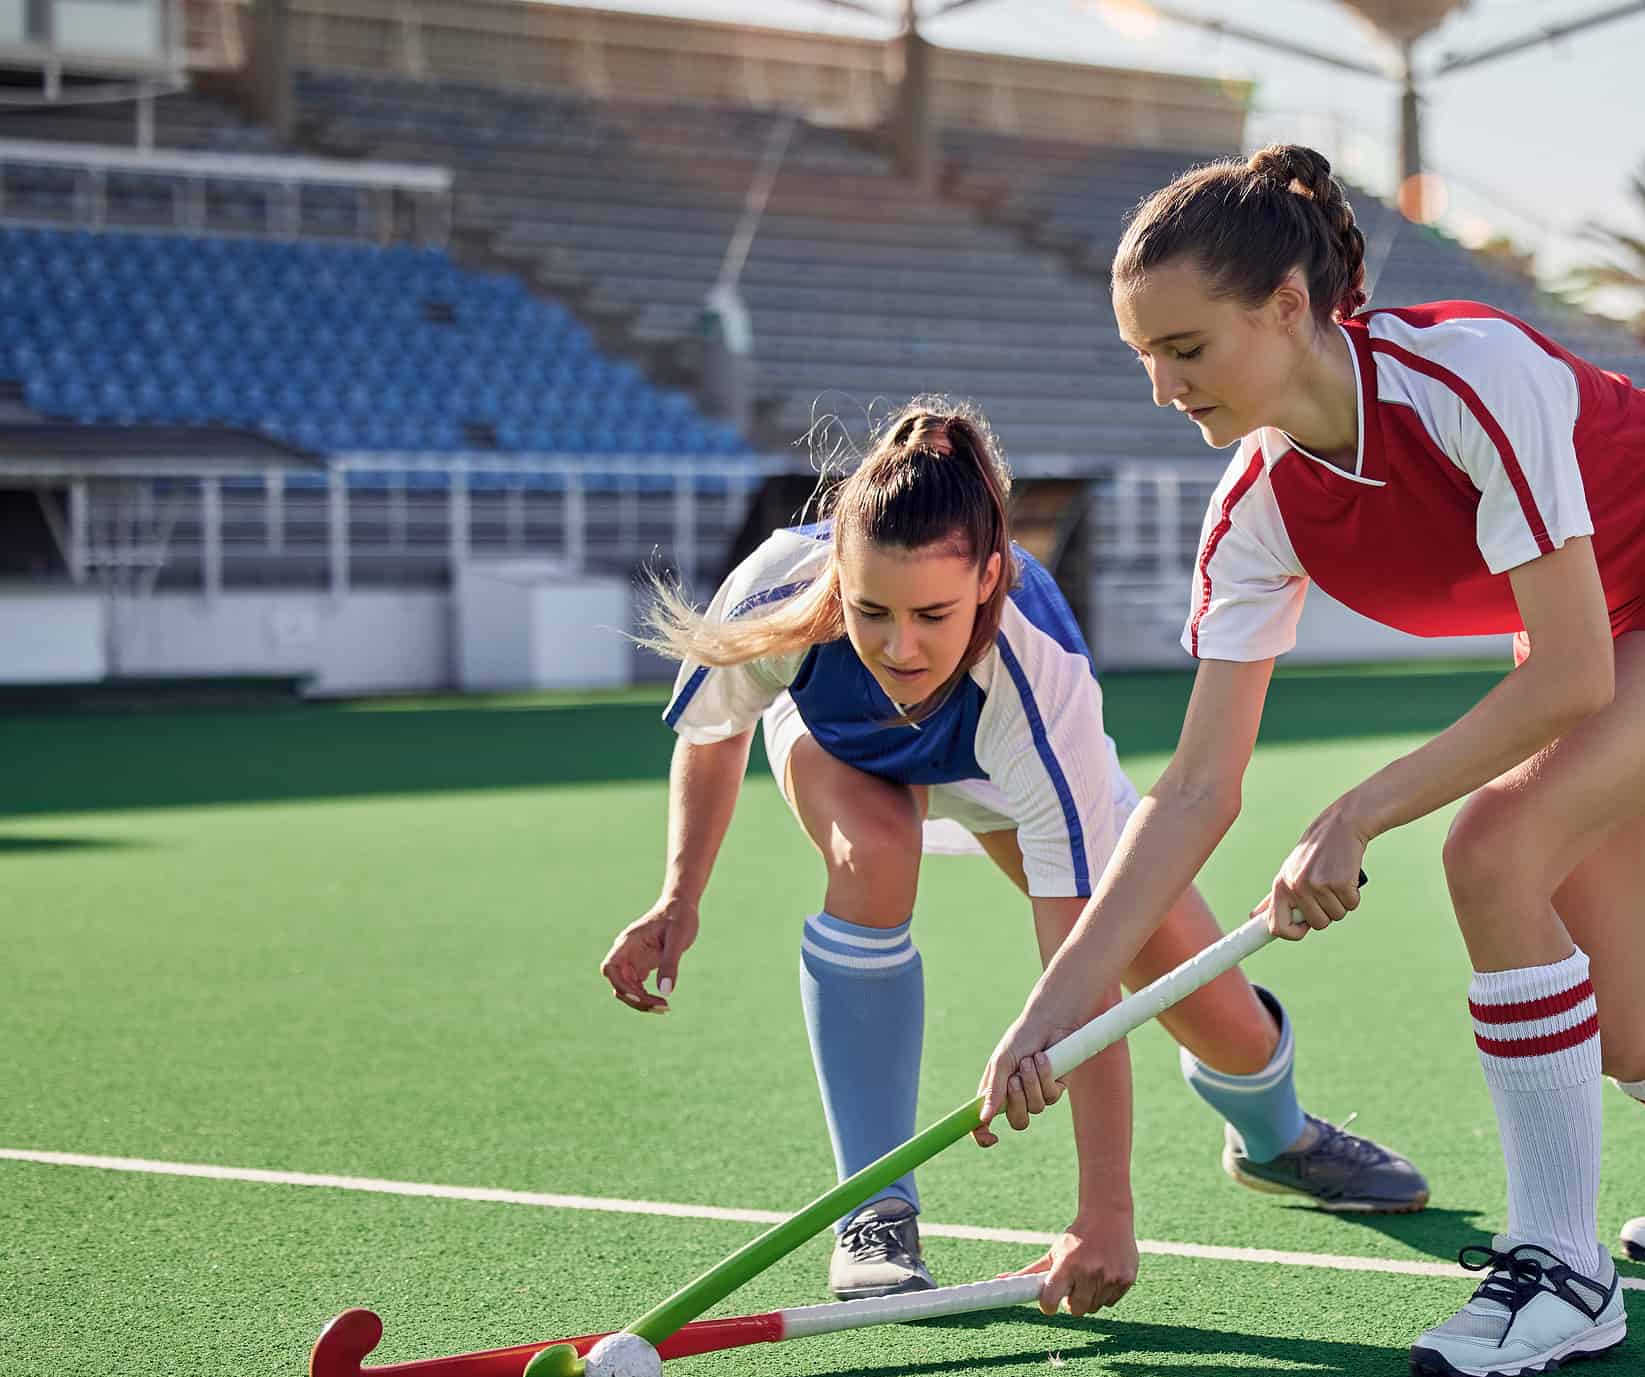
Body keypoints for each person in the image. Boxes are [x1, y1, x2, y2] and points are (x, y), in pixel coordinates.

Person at [975, 148, 1645, 1377]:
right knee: (1607, 1011)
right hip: (1597, 616)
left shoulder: (1467, 374)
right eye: (1144, 357)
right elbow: (1192, 789)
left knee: (1490, 851)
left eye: (1185, 348)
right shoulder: (1256, 510)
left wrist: (1356, 813)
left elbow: (1570, 677)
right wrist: (1049, 1013)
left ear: (1288, 307)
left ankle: (1562, 1269)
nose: (1164, 389)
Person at [602, 397, 1428, 1318]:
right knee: (870, 858)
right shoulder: (778, 592)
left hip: (1003, 773)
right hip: (847, 750)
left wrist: (1103, 1211)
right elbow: (714, 735)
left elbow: (1085, 957)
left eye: (932, 614)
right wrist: (680, 896)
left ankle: (1276, 1140)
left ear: (990, 579)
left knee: (1215, 1014)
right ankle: (874, 1210)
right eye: (871, 610)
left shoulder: (1040, 677)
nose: (897, 645)